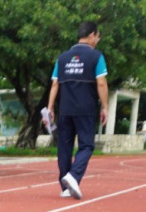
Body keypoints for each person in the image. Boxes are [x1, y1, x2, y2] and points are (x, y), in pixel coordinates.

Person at [47, 22, 108, 200]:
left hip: (65, 109)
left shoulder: (63, 58)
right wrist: (105, 106)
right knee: (87, 145)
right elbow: (102, 83)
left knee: (64, 147)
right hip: (86, 109)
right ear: (91, 35)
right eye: (98, 36)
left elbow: (55, 84)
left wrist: (50, 108)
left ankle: (65, 186)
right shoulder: (96, 57)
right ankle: (73, 176)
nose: (98, 40)